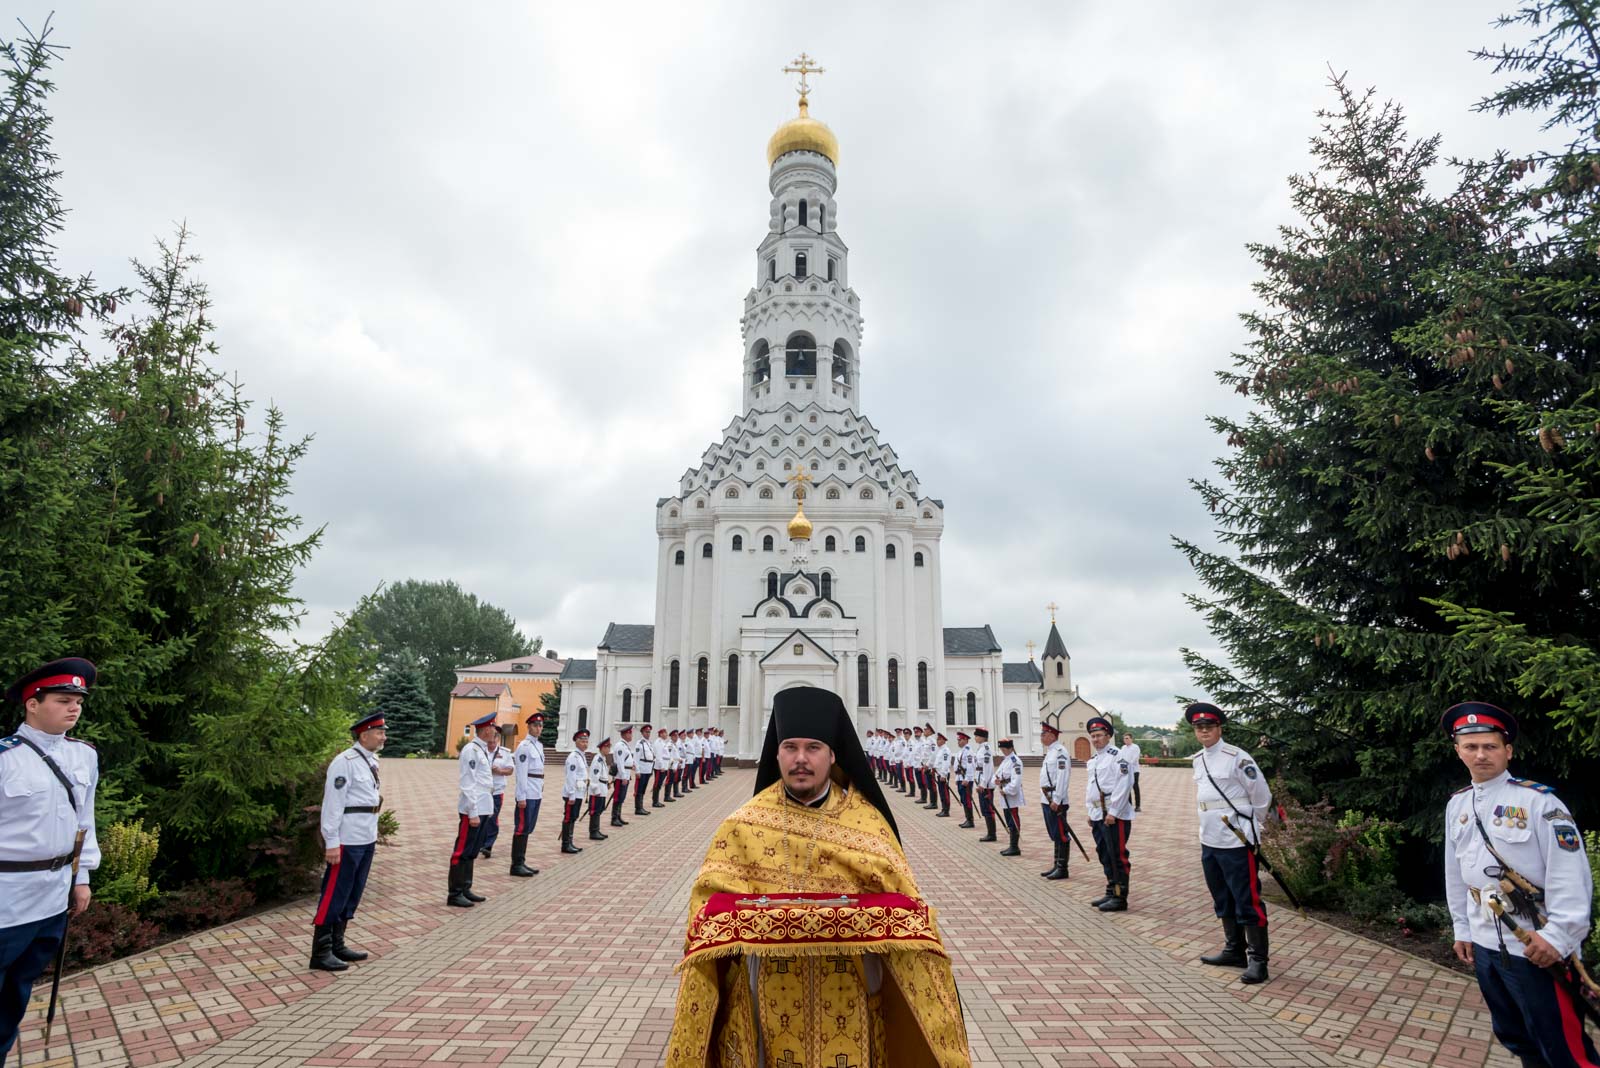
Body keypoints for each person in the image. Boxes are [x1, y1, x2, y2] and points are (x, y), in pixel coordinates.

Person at [663, 687, 971, 1066]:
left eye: (813, 748)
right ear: (776, 754)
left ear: (833, 755)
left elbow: (909, 913)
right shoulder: (741, 826)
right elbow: (706, 908)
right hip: (767, 1004)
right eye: (790, 747)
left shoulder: (870, 827)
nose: (801, 759)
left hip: (849, 1000)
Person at [1443, 701, 1599, 1068]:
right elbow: (1456, 873)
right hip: (1485, 946)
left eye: (1491, 746)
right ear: (1458, 751)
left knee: (1563, 1049)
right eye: (1471, 746)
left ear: (1507, 750)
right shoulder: (1457, 805)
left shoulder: (1538, 802)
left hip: (1534, 945)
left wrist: (1559, 937)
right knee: (1517, 1038)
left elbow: (1570, 875)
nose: (1481, 754)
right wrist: (1462, 927)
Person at [0, 659, 100, 1066]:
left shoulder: (84, 757)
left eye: (78, 701)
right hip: (6, 897)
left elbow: (85, 820)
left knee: (18, 991)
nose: (74, 708)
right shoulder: (6, 757)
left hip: (53, 895)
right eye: (63, 700)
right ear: (32, 704)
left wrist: (83, 878)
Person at [1187, 703, 1273, 983]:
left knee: (1247, 899)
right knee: (1221, 897)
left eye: (1209, 727)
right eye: (1199, 728)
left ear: (1219, 728)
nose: (1204, 731)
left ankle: (1258, 960)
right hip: (1210, 839)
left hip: (1237, 840)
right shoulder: (1198, 759)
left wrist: (1255, 828)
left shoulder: (1237, 757)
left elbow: (1260, 795)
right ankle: (1234, 949)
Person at [311, 710, 385, 971]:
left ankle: (337, 944)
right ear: (364, 735)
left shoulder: (370, 760)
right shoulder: (345, 762)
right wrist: (331, 840)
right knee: (335, 892)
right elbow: (333, 804)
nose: (383, 736)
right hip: (346, 839)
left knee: (352, 892)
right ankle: (320, 952)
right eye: (379, 732)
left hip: (365, 836)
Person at [1085, 716, 1135, 912]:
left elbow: (1124, 785)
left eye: (1099, 735)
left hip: (1114, 814)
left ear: (1108, 736)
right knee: (1104, 854)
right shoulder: (1095, 760)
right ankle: (1110, 890)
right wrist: (1091, 812)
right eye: (1093, 736)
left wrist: (1113, 812)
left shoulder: (1118, 756)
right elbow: (1092, 788)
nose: (1096, 739)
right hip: (1099, 813)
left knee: (1117, 854)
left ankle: (1120, 896)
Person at [448, 711, 498, 907]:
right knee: (462, 850)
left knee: (473, 850)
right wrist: (473, 811)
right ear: (486, 730)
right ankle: (454, 892)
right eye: (493, 728)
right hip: (473, 808)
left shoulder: (482, 749)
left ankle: (466, 887)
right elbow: (468, 783)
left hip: (483, 806)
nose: (495, 731)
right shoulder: (471, 750)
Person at [509, 711, 545, 877]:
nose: (538, 728)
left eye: (540, 726)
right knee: (522, 827)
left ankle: (522, 861)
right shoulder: (524, 747)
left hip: (536, 791)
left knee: (529, 827)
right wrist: (521, 796)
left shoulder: (538, 746)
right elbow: (521, 773)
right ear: (529, 727)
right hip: (527, 792)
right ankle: (516, 864)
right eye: (535, 725)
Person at [1038, 714, 1072, 881]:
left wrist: (1057, 799)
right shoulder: (1050, 752)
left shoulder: (1060, 752)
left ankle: (1062, 867)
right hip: (1047, 799)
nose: (1041, 736)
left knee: (1061, 833)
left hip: (1055, 800)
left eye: (1043, 734)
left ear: (1052, 735)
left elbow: (1063, 777)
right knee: (1054, 833)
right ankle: (1056, 864)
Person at [481, 728, 513, 858]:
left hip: (497, 791)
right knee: (482, 817)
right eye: (489, 742)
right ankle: (481, 842)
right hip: (482, 791)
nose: (491, 745)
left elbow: (510, 770)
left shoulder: (505, 753)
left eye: (493, 742)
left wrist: (499, 770)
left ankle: (488, 845)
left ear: (498, 740)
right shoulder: (481, 752)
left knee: (493, 818)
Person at [559, 729, 590, 854]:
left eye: (586, 741)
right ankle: (565, 844)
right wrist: (571, 794)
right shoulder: (573, 757)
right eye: (582, 741)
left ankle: (570, 841)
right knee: (569, 818)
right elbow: (570, 777)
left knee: (573, 817)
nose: (585, 743)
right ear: (576, 742)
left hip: (579, 792)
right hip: (573, 793)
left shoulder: (581, 756)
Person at [993, 738, 1025, 856]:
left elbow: (1016, 781)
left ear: (1011, 748)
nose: (1003, 751)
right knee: (1008, 819)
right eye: (1001, 749)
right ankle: (1012, 845)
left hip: (1011, 795)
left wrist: (1006, 790)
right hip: (1004, 793)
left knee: (1013, 819)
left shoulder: (1015, 761)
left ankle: (1014, 846)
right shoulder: (1005, 760)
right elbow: (998, 774)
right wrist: (996, 781)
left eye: (1004, 749)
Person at [973, 728, 998, 842]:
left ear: (983, 737)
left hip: (986, 785)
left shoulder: (986, 749)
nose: (975, 738)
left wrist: (983, 784)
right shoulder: (981, 748)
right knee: (984, 808)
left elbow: (987, 768)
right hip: (981, 781)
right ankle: (990, 832)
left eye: (977, 736)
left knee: (988, 809)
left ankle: (992, 834)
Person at [589, 737, 614, 840]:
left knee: (599, 809)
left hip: (602, 787)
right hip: (597, 789)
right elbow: (594, 777)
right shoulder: (597, 760)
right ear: (603, 748)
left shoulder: (602, 759)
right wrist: (596, 790)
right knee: (595, 810)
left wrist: (607, 782)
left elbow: (602, 774)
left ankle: (597, 830)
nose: (609, 749)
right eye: (608, 747)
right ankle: (593, 832)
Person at [612, 724, 635, 827]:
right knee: (617, 797)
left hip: (626, 773)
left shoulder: (625, 745)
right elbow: (620, 763)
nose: (631, 736)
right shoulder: (620, 746)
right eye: (630, 734)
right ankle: (614, 818)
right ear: (625, 734)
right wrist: (624, 777)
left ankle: (618, 816)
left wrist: (632, 764)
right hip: (621, 776)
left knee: (622, 797)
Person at [954, 730, 976, 827]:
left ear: (966, 740)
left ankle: (970, 821)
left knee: (967, 799)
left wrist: (967, 778)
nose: (958, 742)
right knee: (963, 799)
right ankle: (967, 819)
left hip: (965, 779)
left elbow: (970, 766)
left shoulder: (968, 752)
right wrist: (956, 778)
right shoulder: (960, 751)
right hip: (960, 778)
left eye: (960, 740)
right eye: (958, 740)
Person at [634, 723, 656, 816]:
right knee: (639, 789)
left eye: (649, 732)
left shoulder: (648, 743)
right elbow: (636, 758)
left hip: (647, 769)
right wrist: (637, 770)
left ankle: (641, 806)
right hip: (642, 769)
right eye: (646, 732)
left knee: (643, 789)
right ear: (642, 733)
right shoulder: (640, 744)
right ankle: (638, 808)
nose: (648, 734)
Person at [933, 730, 954, 817]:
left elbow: (946, 763)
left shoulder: (945, 750)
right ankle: (943, 809)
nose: (937, 741)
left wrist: (943, 775)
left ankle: (946, 811)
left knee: (944, 793)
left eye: (939, 739)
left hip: (943, 775)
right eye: (937, 739)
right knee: (941, 792)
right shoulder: (940, 749)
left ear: (943, 741)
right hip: (939, 774)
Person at [1121, 732, 1144, 812]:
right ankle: (1129, 805)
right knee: (1127, 789)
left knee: (1135, 787)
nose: (1125, 740)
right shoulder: (1123, 748)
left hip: (1134, 770)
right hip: (1125, 771)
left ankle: (1138, 806)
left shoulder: (1135, 747)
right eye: (1124, 738)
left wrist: (1126, 764)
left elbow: (1134, 759)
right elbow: (1121, 758)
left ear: (1131, 739)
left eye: (1127, 738)